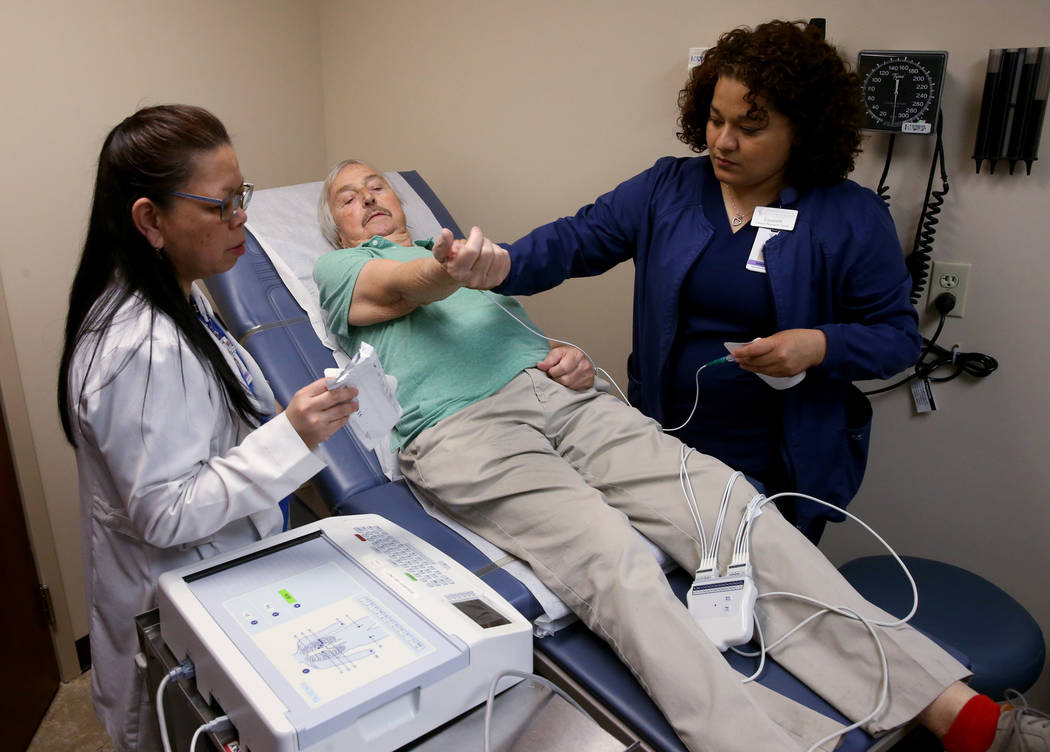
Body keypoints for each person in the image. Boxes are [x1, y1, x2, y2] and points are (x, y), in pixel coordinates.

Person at [313, 159, 1047, 752]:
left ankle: (959, 714)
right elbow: (404, 287)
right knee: (616, 561)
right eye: (349, 197)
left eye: (377, 184)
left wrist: (568, 358)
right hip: (466, 431)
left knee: (737, 513)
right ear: (338, 230)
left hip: (566, 396)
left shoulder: (470, 273)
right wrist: (448, 267)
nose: (368, 196)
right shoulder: (348, 272)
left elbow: (516, 339)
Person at [491, 20, 922, 543]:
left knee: (753, 606)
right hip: (665, 446)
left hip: (780, 467)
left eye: (751, 127)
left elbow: (898, 339)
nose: (723, 141)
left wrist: (819, 345)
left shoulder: (850, 216)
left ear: (802, 130)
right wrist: (496, 265)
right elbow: (575, 240)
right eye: (716, 119)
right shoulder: (667, 188)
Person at [57, 105, 359, 752]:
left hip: (212, 579)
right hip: (172, 603)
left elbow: (207, 424)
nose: (241, 217)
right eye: (221, 205)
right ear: (150, 220)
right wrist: (293, 436)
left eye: (241, 196)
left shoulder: (183, 290)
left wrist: (278, 426)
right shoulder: (137, 348)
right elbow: (165, 515)